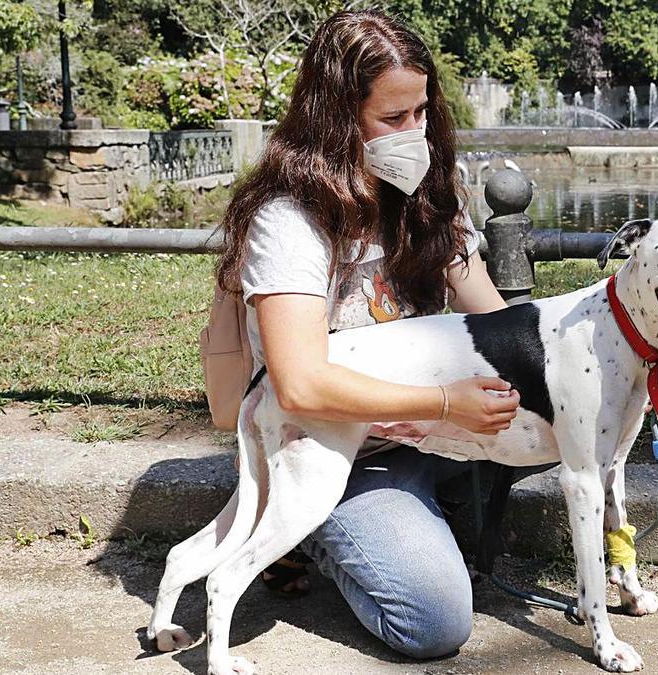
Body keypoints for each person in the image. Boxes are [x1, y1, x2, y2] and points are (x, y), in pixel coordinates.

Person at [213, 9, 523, 659]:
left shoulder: (428, 189)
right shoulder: (289, 219)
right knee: (435, 620)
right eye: (393, 118)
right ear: (336, 118)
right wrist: (446, 404)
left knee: (576, 420)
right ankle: (302, 529)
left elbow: (488, 313)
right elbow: (299, 385)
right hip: (333, 446)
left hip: (430, 426)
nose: (415, 133)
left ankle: (412, 512)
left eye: (422, 113)